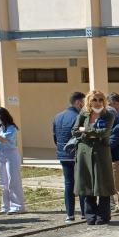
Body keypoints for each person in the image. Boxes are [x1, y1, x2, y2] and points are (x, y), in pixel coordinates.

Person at [72, 90, 116, 225]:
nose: (98, 103)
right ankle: (90, 215)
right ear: (89, 101)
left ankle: (103, 216)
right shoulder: (84, 114)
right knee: (87, 185)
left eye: (100, 100)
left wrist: (84, 131)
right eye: (94, 100)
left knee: (102, 184)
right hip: (84, 153)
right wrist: (90, 133)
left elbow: (104, 132)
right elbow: (74, 131)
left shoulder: (108, 115)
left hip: (101, 153)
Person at [53, 92, 86, 222]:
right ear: (78, 103)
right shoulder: (79, 116)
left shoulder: (58, 116)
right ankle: (84, 212)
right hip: (77, 154)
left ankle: (70, 215)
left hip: (63, 154)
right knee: (82, 183)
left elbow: (55, 137)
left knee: (68, 184)